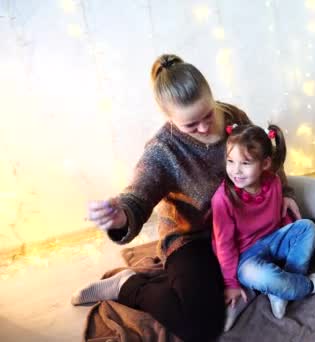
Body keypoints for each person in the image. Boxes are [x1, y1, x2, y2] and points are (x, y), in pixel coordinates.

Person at [71, 54, 301, 342]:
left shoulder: (233, 116)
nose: (204, 128)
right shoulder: (162, 150)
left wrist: (286, 193)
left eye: (208, 115)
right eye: (191, 125)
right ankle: (130, 285)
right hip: (194, 239)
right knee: (200, 326)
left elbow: (263, 155)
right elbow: (137, 195)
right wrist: (121, 216)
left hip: (243, 224)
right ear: (169, 119)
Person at [212, 123, 315, 320]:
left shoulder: (273, 182)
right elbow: (224, 245)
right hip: (246, 258)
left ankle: (282, 291)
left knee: (308, 227)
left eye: (245, 163)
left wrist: (292, 237)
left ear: (265, 164)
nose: (236, 171)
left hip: (273, 239)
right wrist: (231, 283)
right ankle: (311, 285)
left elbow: (280, 216)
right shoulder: (223, 199)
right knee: (259, 276)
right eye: (230, 161)